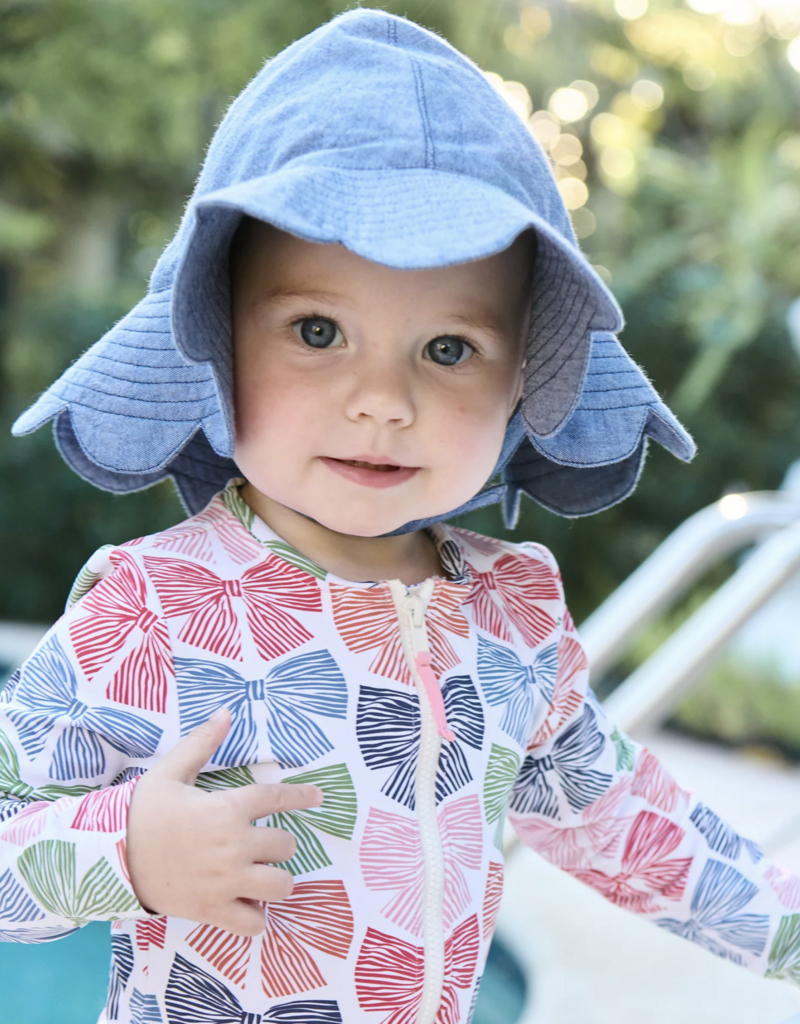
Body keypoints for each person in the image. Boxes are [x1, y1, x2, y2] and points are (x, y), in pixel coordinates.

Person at [3, 10, 799, 1023]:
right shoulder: (155, 610)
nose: (382, 398)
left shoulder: (510, 619)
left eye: (447, 349)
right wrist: (125, 849)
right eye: (317, 329)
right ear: (215, 345)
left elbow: (623, 822)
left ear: (524, 378)